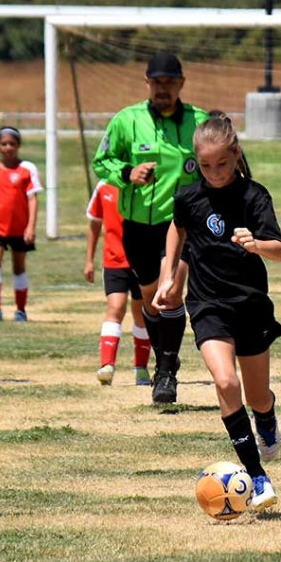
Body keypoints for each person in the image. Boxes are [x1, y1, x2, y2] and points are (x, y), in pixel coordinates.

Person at [154, 111, 281, 513]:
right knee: (226, 382)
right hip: (208, 303)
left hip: (249, 304)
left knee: (258, 396)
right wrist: (169, 276)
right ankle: (257, 476)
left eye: (223, 164)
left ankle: (266, 419)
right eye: (206, 165)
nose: (214, 172)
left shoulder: (254, 196)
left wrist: (256, 243)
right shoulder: (189, 196)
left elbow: (280, 252)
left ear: (236, 154)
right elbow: (177, 226)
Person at [91, 52, 209, 404]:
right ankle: (163, 359)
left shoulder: (199, 121)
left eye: (170, 82)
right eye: (157, 82)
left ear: (181, 83)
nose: (163, 89)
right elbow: (102, 161)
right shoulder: (127, 121)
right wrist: (128, 174)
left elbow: (221, 161)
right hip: (139, 227)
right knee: (151, 303)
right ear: (147, 83)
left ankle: (167, 373)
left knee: (171, 291)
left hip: (183, 226)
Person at [84, 179, 152, 386]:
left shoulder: (148, 182)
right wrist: (89, 260)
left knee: (141, 312)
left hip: (142, 260)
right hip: (114, 261)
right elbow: (94, 223)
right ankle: (107, 365)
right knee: (116, 307)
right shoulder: (104, 186)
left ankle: (141, 368)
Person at [0, 126, 43, 322]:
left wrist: (30, 227)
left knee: (19, 267)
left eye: (12, 144)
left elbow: (32, 199)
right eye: (4, 143)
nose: (8, 147)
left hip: (19, 228)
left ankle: (20, 310)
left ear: (18, 145)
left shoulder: (27, 169)